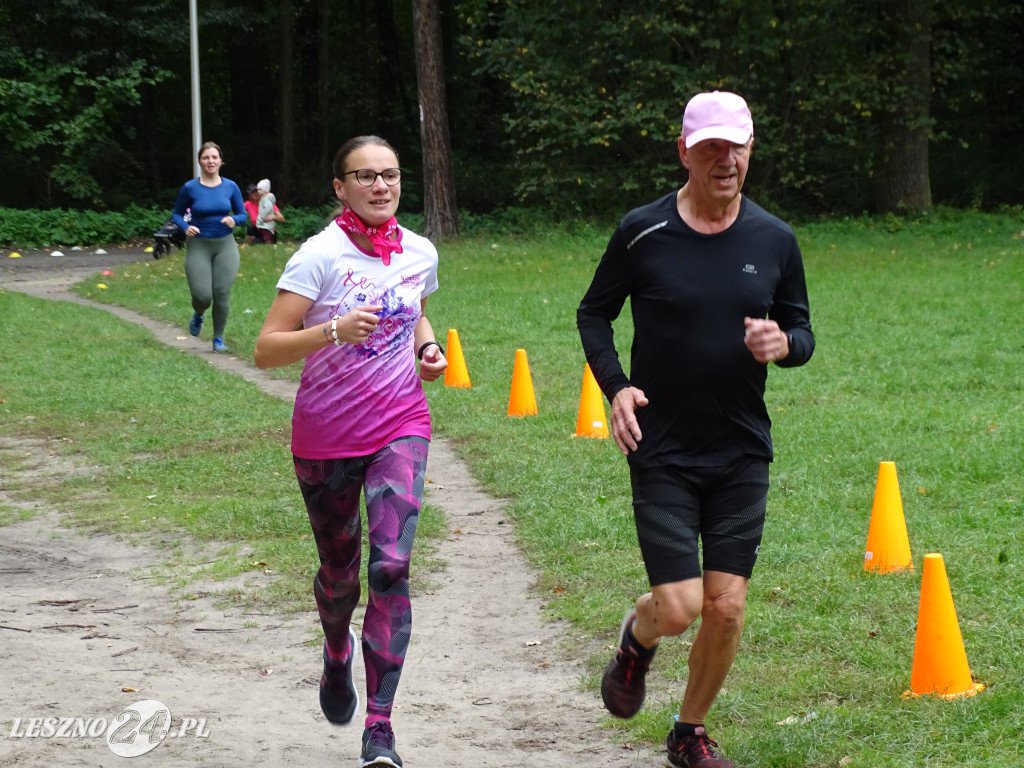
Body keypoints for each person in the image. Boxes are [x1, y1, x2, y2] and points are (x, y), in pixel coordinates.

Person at [576, 91, 814, 768]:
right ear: (684, 151)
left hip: (741, 447)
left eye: (735, 146)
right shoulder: (642, 231)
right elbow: (594, 314)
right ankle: (637, 635)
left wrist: (785, 345)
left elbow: (802, 328)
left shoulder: (774, 238)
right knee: (679, 608)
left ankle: (688, 732)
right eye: (710, 147)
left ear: (750, 148)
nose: (725, 159)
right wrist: (616, 386)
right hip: (663, 446)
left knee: (728, 606)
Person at [254, 135, 447, 768]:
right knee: (340, 575)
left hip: (400, 424)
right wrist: (333, 330)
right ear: (340, 187)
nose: (381, 186)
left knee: (391, 567)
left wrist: (425, 349)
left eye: (389, 175)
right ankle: (337, 650)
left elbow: (412, 307)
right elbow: (266, 349)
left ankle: (381, 726)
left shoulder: (418, 252)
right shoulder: (319, 256)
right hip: (327, 436)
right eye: (365, 176)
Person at [172, 141, 248, 353]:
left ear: (221, 161)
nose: (210, 161)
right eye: (206, 157)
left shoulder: (230, 186)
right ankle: (198, 313)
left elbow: (243, 214)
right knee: (203, 295)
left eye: (214, 157)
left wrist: (235, 220)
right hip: (199, 246)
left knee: (222, 293)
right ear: (200, 161)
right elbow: (177, 214)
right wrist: (185, 227)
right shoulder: (190, 188)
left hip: (225, 246)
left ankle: (218, 338)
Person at [255, 178, 285, 244]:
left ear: (265, 190)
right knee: (265, 237)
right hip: (263, 225)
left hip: (267, 225)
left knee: (267, 238)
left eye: (260, 189)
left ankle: (268, 247)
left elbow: (266, 210)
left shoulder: (267, 200)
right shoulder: (263, 199)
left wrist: (260, 219)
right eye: (258, 189)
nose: (258, 191)